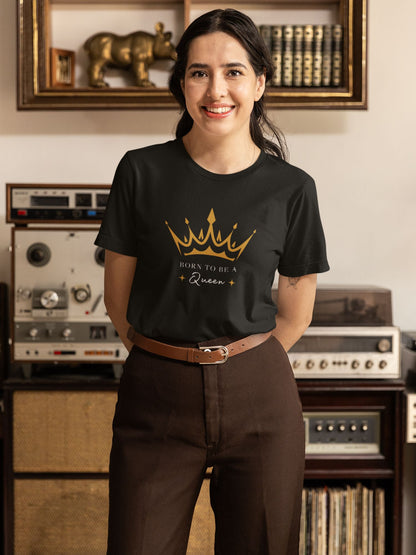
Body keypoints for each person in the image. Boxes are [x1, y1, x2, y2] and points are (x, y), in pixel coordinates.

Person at [95, 8, 329, 555]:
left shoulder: (293, 188)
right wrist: (167, 358)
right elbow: (117, 301)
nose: (215, 89)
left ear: (260, 82)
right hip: (155, 393)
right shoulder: (140, 171)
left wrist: (237, 363)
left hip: (260, 395)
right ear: (180, 83)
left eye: (233, 72)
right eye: (199, 72)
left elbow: (296, 315)